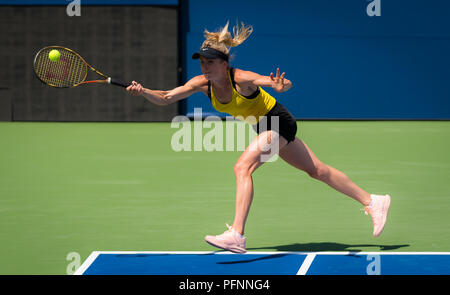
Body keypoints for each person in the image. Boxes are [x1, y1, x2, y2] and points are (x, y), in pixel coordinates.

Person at [126, 22, 391, 253]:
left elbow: (277, 83)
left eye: (210, 62)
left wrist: (280, 85)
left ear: (224, 63)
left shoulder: (241, 79)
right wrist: (143, 90)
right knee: (317, 171)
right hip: (264, 128)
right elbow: (166, 97)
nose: (205, 66)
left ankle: (237, 236)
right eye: (202, 62)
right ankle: (373, 201)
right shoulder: (201, 83)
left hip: (277, 122)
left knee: (242, 167)